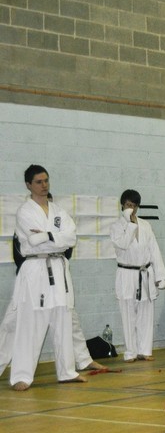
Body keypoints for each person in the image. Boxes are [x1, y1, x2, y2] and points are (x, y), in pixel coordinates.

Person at [8, 165, 84, 390]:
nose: (44, 185)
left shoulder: (59, 211)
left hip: (58, 268)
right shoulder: (25, 211)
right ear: (28, 185)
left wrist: (47, 235)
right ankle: (22, 375)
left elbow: (71, 238)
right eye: (39, 182)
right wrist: (56, 237)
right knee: (31, 323)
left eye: (46, 181)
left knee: (62, 319)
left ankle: (67, 371)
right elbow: (33, 242)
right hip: (35, 268)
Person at [109, 189, 165, 362]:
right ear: (122, 205)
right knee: (128, 315)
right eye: (128, 205)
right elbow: (123, 244)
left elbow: (154, 250)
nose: (131, 209)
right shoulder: (116, 226)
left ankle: (145, 350)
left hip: (145, 273)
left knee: (146, 314)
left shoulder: (146, 225)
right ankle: (130, 352)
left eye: (134, 206)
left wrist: (160, 275)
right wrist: (130, 224)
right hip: (127, 273)